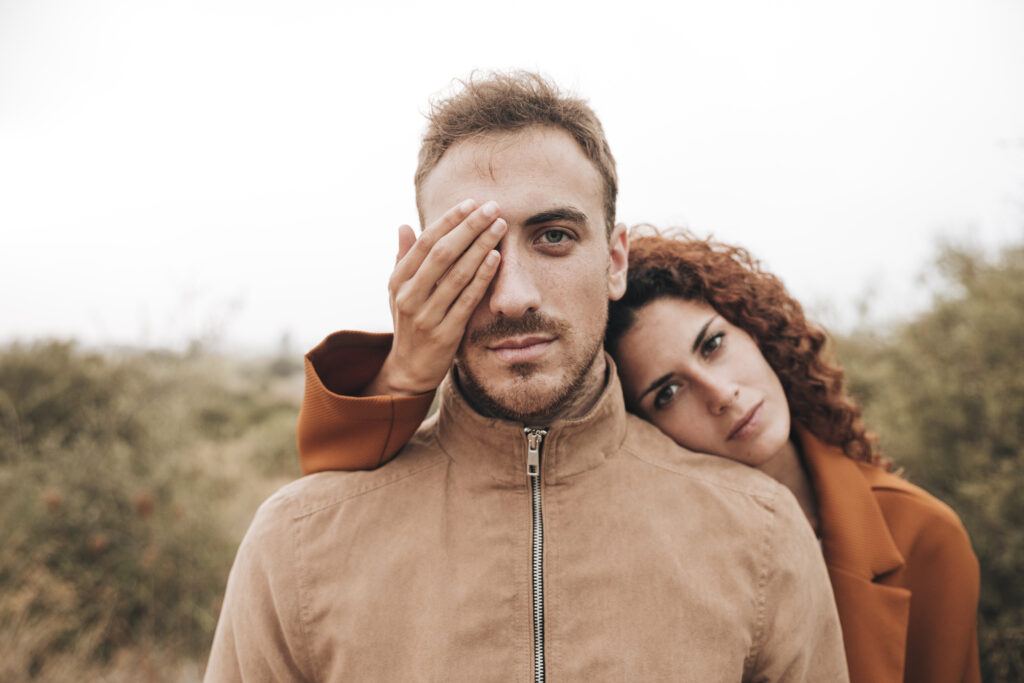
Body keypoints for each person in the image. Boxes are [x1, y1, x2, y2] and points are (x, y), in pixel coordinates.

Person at [206, 72, 849, 681]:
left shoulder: (762, 533)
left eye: (554, 236)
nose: (512, 296)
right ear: (418, 265)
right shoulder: (292, 544)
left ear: (615, 259)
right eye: (471, 247)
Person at [295, 228, 982, 683]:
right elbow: (330, 491)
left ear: (759, 330)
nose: (718, 394)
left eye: (712, 343)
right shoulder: (650, 544)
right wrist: (405, 373)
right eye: (667, 391)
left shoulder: (923, 537)